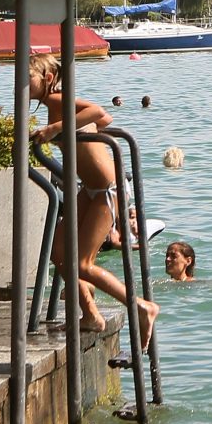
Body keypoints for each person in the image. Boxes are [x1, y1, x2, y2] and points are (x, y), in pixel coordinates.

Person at [27, 54, 156, 346]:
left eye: (28, 78)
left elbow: (98, 110)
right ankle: (90, 315)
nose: (23, 84)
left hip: (108, 189)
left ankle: (141, 307)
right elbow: (105, 119)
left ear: (47, 79)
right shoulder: (56, 104)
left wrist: (56, 129)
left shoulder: (59, 100)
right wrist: (81, 131)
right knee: (59, 249)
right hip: (90, 189)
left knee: (82, 263)